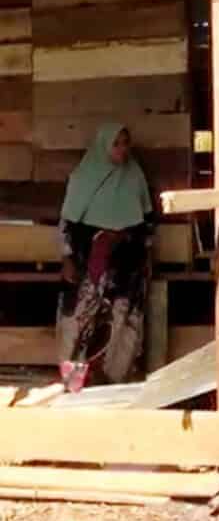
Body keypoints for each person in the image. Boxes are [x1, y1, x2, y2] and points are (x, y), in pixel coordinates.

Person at [57, 123, 155, 385]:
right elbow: (67, 222)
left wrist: (145, 256)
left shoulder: (134, 175)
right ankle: (73, 383)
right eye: (116, 144)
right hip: (89, 259)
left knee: (125, 321)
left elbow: (146, 221)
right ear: (103, 146)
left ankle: (115, 382)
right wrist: (67, 258)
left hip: (126, 259)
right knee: (78, 321)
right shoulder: (83, 177)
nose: (122, 149)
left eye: (125, 143)